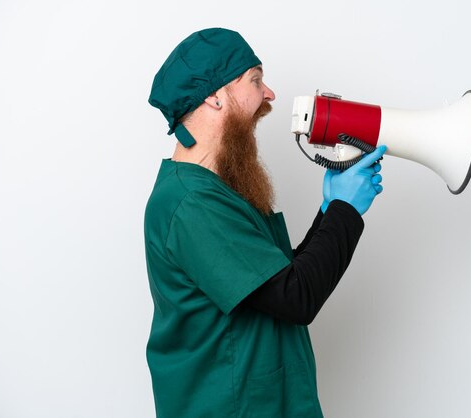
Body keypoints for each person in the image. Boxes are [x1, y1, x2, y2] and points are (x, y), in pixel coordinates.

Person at [144, 27, 386, 418]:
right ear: (214, 96)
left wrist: (328, 211)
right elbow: (295, 296)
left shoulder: (210, 191)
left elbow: (275, 279)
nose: (269, 94)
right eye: (255, 80)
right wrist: (346, 210)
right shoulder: (192, 204)